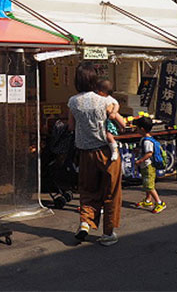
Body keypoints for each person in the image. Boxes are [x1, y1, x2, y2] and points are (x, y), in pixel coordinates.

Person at [67, 63, 122, 246]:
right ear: (94, 79)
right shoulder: (104, 101)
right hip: (105, 151)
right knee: (111, 191)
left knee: (87, 190)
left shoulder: (73, 101)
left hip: (84, 152)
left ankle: (85, 222)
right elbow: (117, 118)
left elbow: (71, 127)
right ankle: (108, 233)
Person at [133, 116, 166, 213]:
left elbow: (149, 153)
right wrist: (138, 150)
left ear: (142, 129)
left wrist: (140, 161)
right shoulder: (145, 139)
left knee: (149, 186)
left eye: (137, 128)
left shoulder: (147, 141)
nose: (136, 130)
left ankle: (159, 202)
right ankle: (148, 200)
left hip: (148, 166)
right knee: (146, 183)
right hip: (146, 166)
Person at [96, 78, 128, 162]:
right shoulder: (100, 99)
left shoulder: (109, 99)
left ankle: (114, 149)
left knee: (109, 135)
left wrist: (113, 112)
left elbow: (116, 105)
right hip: (105, 121)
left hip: (110, 121)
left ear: (101, 92)